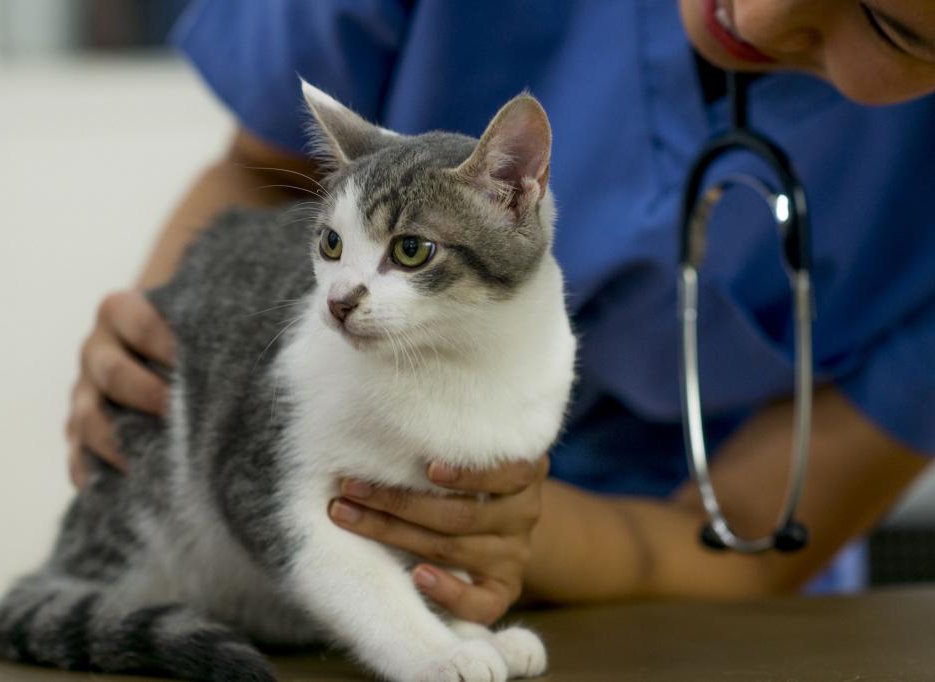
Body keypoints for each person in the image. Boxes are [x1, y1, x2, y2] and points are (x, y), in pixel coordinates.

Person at [66, 1, 935, 625]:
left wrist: (488, 530)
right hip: (330, 523)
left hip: (680, 608)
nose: (755, 18)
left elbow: (748, 542)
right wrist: (166, 378)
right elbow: (265, 175)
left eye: (891, 23)